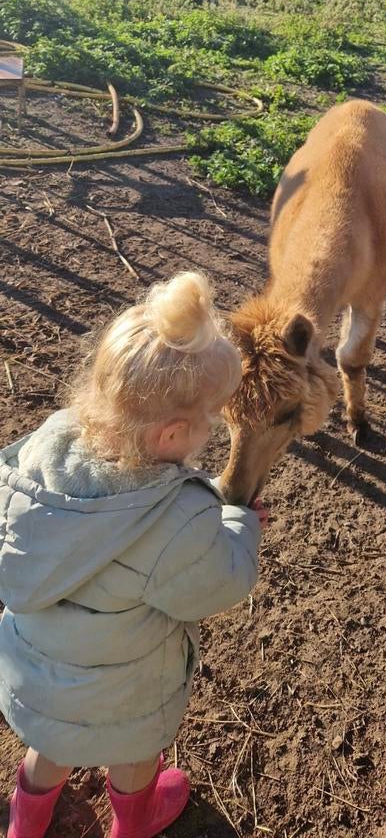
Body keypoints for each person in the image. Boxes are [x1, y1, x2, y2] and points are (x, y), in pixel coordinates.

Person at [0, 272, 267, 838]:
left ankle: (26, 821)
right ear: (172, 436)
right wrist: (240, 521)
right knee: (134, 759)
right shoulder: (176, 521)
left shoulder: (40, 455)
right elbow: (221, 581)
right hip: (127, 698)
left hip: (38, 683)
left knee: (48, 749)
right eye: (211, 420)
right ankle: (135, 821)